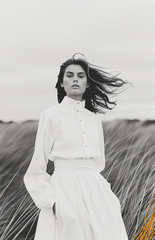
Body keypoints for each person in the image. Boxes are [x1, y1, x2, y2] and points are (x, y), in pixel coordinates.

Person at [23, 53, 129, 240]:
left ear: (87, 84)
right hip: (63, 189)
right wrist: (52, 203)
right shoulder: (50, 115)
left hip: (97, 191)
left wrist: (105, 193)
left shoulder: (94, 119)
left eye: (81, 76)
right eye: (69, 75)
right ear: (61, 83)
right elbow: (37, 167)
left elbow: (98, 163)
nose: (75, 80)